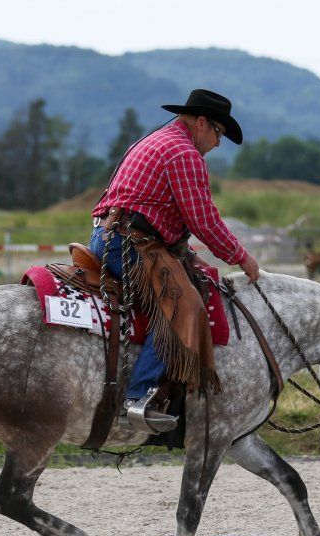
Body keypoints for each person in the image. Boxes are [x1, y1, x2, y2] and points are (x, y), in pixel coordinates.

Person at [90, 89, 260, 433]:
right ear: (200, 123)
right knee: (186, 308)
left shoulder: (152, 140)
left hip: (112, 235)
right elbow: (203, 219)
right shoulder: (184, 153)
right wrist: (242, 258)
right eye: (218, 132)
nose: (217, 143)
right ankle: (138, 399)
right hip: (132, 243)